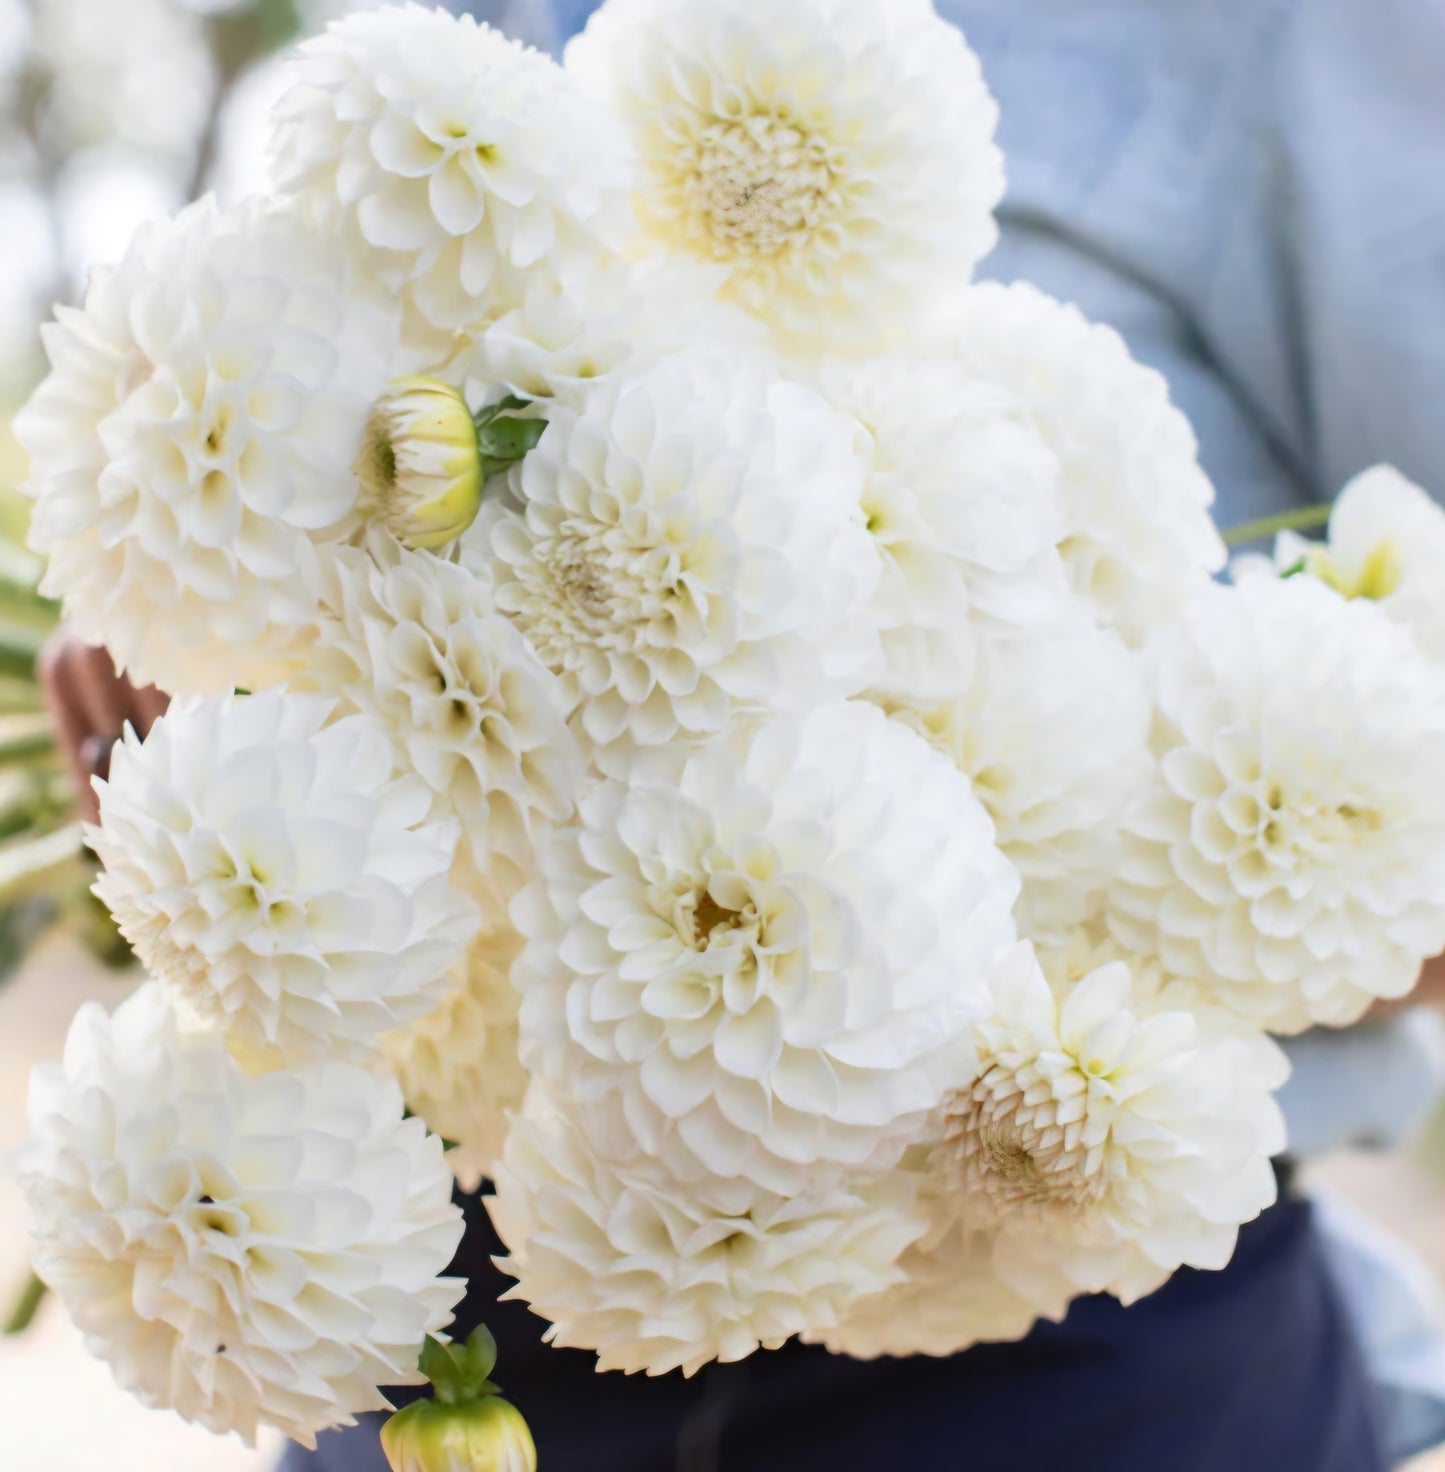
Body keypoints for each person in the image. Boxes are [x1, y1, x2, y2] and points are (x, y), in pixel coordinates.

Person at [41, 1, 1445, 1468]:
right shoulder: (497, 51)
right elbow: (369, 411)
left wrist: (1151, 929)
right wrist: (198, 628)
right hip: (478, 1271)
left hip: (1074, 1353)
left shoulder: (1307, 38)